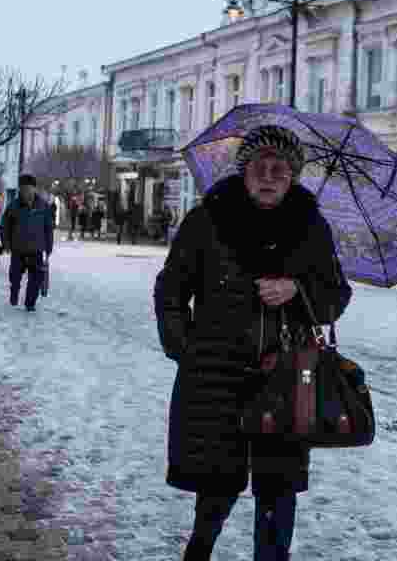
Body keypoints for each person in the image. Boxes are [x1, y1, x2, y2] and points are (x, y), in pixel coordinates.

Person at [156, 125, 353, 561]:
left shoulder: (310, 227)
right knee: (215, 486)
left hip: (285, 380)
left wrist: (297, 289)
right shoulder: (208, 220)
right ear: (243, 172)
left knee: (278, 490)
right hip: (216, 376)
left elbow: (336, 295)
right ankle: (199, 551)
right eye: (259, 167)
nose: (269, 175)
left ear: (293, 176)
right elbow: (170, 290)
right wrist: (186, 349)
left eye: (280, 169)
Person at [0, 174, 53, 312]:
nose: (26, 192)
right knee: (15, 276)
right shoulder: (13, 206)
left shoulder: (43, 206)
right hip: (18, 249)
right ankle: (14, 291)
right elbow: (4, 226)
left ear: (34, 189)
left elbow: (48, 228)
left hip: (36, 249)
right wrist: (6, 244)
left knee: (36, 279)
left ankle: (30, 303)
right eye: (23, 189)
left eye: (29, 189)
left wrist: (49, 246)